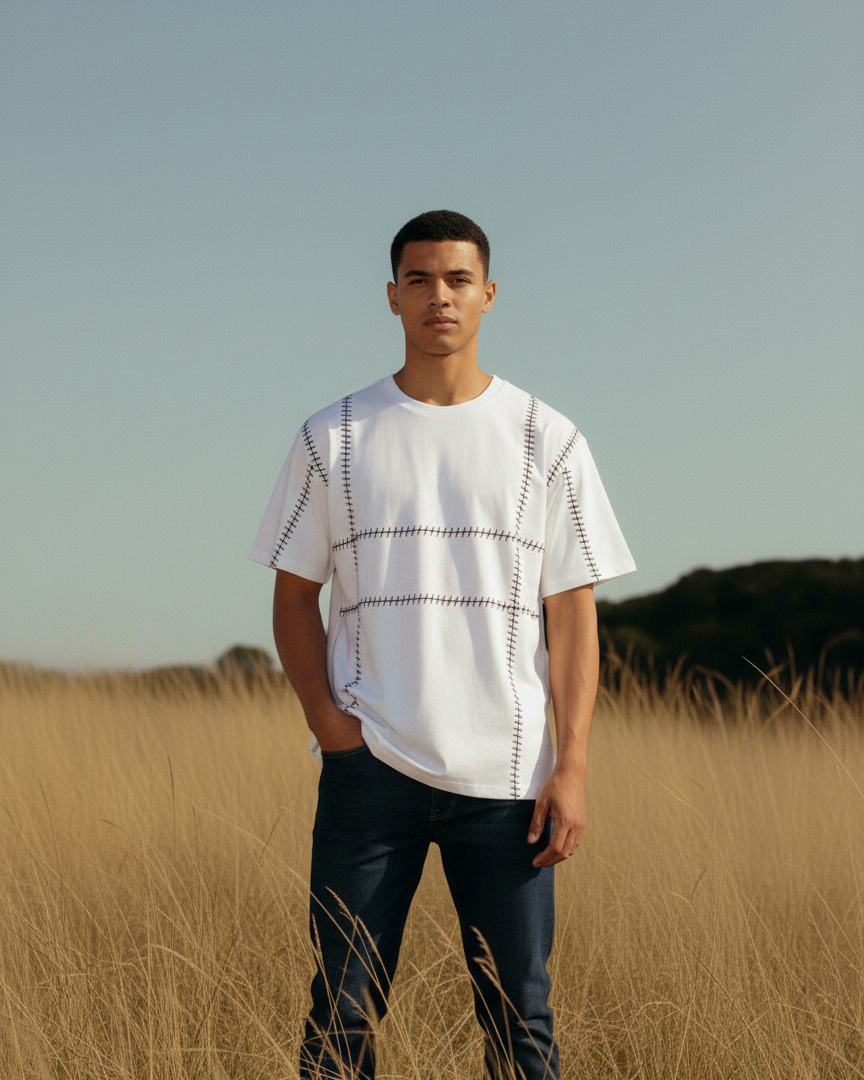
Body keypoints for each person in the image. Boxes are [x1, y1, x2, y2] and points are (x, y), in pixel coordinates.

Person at [249, 210, 635, 1079]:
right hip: (369, 769)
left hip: (508, 781)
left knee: (520, 1020)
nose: (439, 297)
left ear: (489, 296)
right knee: (339, 1015)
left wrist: (571, 766)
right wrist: (330, 726)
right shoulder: (333, 436)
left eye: (457, 280)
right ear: (392, 297)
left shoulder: (549, 439)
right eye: (419, 280)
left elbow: (573, 618)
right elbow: (291, 596)